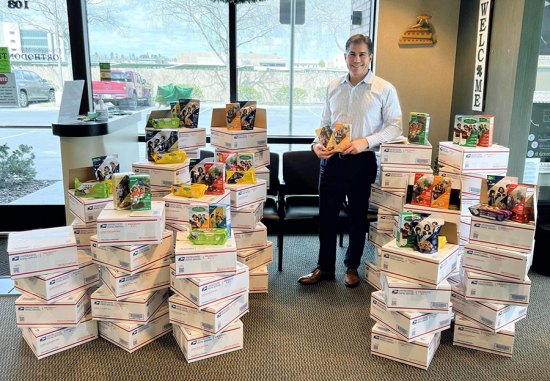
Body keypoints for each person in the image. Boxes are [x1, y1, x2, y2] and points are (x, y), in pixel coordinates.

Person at [298, 34, 402, 288]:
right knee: (327, 217)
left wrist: (365, 141)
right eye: (352, 54)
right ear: (345, 57)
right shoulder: (334, 85)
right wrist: (316, 145)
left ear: (370, 56)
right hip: (331, 161)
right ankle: (325, 268)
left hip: (362, 161)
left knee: (357, 217)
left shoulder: (384, 88)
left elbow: (395, 127)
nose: (357, 60)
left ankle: (352, 267)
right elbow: (325, 123)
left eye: (362, 54)